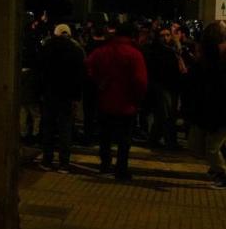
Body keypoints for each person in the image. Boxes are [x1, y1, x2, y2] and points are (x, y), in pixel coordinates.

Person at [86, 22, 148, 181]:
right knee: (124, 140)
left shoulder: (102, 51)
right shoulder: (135, 54)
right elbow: (140, 81)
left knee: (105, 136)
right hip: (127, 103)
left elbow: (88, 68)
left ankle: (105, 165)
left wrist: (99, 83)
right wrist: (138, 99)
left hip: (105, 100)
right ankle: (121, 169)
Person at [181, 23, 226, 189]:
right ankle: (215, 169)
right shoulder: (207, 60)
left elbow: (224, 87)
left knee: (212, 147)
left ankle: (220, 174)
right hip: (205, 109)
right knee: (195, 146)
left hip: (220, 110)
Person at [37, 23, 85, 172]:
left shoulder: (46, 47)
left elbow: (40, 71)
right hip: (67, 94)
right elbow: (79, 75)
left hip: (49, 93)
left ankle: (47, 160)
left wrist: (40, 92)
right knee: (65, 128)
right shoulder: (76, 50)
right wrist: (77, 96)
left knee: (48, 127)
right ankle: (64, 162)